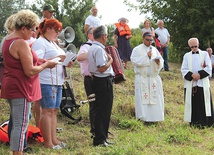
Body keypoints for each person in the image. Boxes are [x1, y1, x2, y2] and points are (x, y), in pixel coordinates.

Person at [1, 9, 57, 155]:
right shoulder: (21, 43)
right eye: (32, 30)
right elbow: (30, 70)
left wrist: (44, 60)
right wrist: (46, 65)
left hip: (12, 85)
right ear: (23, 28)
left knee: (17, 122)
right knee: (21, 124)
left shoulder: (8, 39)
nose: (34, 33)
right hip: (21, 87)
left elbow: (27, 59)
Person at [32, 18, 72, 149]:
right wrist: (56, 59)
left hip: (57, 80)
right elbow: (36, 61)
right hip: (46, 81)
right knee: (47, 111)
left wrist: (66, 62)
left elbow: (58, 59)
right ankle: (47, 142)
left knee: (54, 110)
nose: (58, 33)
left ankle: (54, 139)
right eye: (56, 30)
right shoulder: (40, 43)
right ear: (47, 29)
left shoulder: (53, 43)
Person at [87, 25, 114, 147]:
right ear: (103, 36)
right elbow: (102, 68)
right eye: (107, 35)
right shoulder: (98, 49)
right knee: (104, 110)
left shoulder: (92, 47)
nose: (107, 38)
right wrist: (110, 61)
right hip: (103, 81)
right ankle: (100, 139)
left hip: (97, 80)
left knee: (100, 109)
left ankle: (101, 137)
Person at [130, 32, 164, 123]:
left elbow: (161, 62)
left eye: (151, 40)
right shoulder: (137, 49)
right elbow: (134, 61)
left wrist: (158, 62)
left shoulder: (154, 50)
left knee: (154, 97)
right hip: (143, 78)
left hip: (153, 78)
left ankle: (155, 118)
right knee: (143, 99)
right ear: (143, 39)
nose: (149, 42)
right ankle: (143, 118)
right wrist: (146, 57)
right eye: (147, 40)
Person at [181, 38, 214, 128]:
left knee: (204, 103)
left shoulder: (204, 54)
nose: (194, 48)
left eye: (195, 46)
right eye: (192, 47)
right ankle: (194, 123)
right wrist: (192, 75)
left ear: (198, 45)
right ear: (190, 47)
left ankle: (207, 123)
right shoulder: (186, 56)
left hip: (202, 83)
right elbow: (184, 69)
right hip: (191, 84)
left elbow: (209, 67)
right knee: (193, 104)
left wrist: (199, 75)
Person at [32, 4, 55, 128]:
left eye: (52, 12)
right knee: (37, 100)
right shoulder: (39, 23)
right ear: (44, 11)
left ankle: (44, 125)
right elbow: (34, 38)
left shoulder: (53, 24)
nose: (51, 14)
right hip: (41, 61)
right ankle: (37, 124)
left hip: (51, 70)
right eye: (49, 12)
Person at [76, 27, 96, 137]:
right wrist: (93, 53)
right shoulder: (86, 46)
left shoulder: (99, 46)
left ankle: (100, 129)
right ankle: (94, 131)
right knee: (93, 104)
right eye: (94, 33)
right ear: (89, 35)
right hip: (90, 79)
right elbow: (79, 57)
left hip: (100, 78)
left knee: (101, 104)